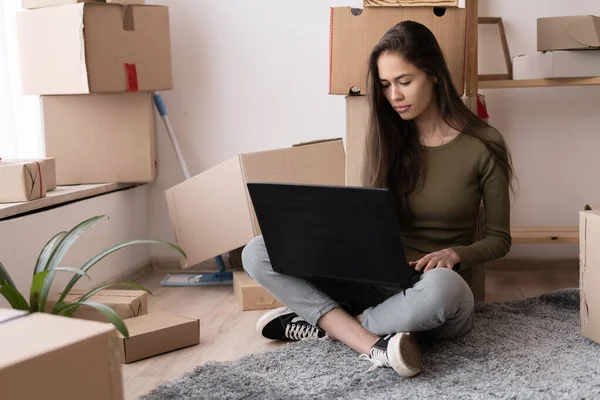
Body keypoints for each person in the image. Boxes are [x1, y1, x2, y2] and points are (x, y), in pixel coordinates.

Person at [242, 20, 515, 378]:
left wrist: (456, 254)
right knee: (258, 250)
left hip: (432, 294)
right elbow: (369, 221)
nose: (394, 96)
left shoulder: (484, 143)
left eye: (404, 82)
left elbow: (500, 239)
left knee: (444, 289)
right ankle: (372, 342)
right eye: (386, 85)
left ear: (433, 74)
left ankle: (332, 327)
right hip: (379, 283)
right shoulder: (388, 138)